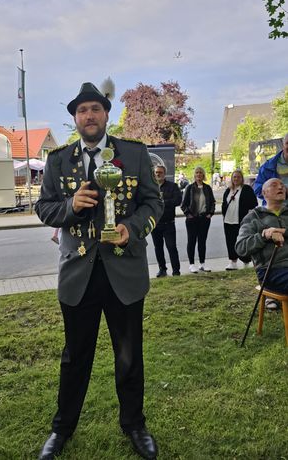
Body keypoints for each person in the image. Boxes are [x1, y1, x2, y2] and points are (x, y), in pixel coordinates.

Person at [35, 81, 163, 460]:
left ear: (106, 114)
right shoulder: (58, 160)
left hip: (124, 273)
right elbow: (44, 209)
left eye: (94, 108)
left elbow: (153, 204)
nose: (88, 115)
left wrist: (132, 228)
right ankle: (62, 429)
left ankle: (135, 425)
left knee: (129, 356)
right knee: (75, 356)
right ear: (74, 118)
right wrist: (71, 205)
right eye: (81, 110)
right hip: (79, 274)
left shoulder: (135, 153)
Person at [236, 178, 288, 310]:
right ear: (264, 193)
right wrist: (264, 235)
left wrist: (284, 231)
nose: (280, 187)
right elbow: (241, 248)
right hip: (271, 271)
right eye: (274, 185)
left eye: (282, 185)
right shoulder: (253, 217)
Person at [180, 166, 215, 273]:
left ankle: (202, 264)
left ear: (203, 175)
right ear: (194, 175)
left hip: (204, 219)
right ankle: (191, 264)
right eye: (197, 173)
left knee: (202, 242)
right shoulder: (189, 188)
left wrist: (210, 214)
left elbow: (212, 203)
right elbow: (183, 204)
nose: (199, 174)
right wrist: (188, 214)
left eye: (201, 173)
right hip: (192, 219)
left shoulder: (207, 188)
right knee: (191, 241)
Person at [222, 170, 258, 270]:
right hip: (229, 220)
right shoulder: (228, 190)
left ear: (242, 178)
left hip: (241, 220)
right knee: (230, 241)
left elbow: (254, 204)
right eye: (234, 177)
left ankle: (246, 260)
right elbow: (224, 204)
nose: (236, 179)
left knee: (242, 241)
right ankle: (233, 261)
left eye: (238, 177)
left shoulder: (246, 189)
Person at [151, 164, 182, 277]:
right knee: (158, 248)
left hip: (168, 223)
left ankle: (176, 271)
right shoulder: (150, 187)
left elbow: (178, 200)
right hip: (155, 223)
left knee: (172, 247)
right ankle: (162, 269)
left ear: (164, 174)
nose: (158, 174)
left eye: (160, 172)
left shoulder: (172, 186)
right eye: (156, 172)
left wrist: (163, 202)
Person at [254, 133, 288, 205]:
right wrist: (275, 191)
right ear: (283, 145)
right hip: (275, 213)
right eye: (287, 143)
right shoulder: (268, 167)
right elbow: (257, 190)